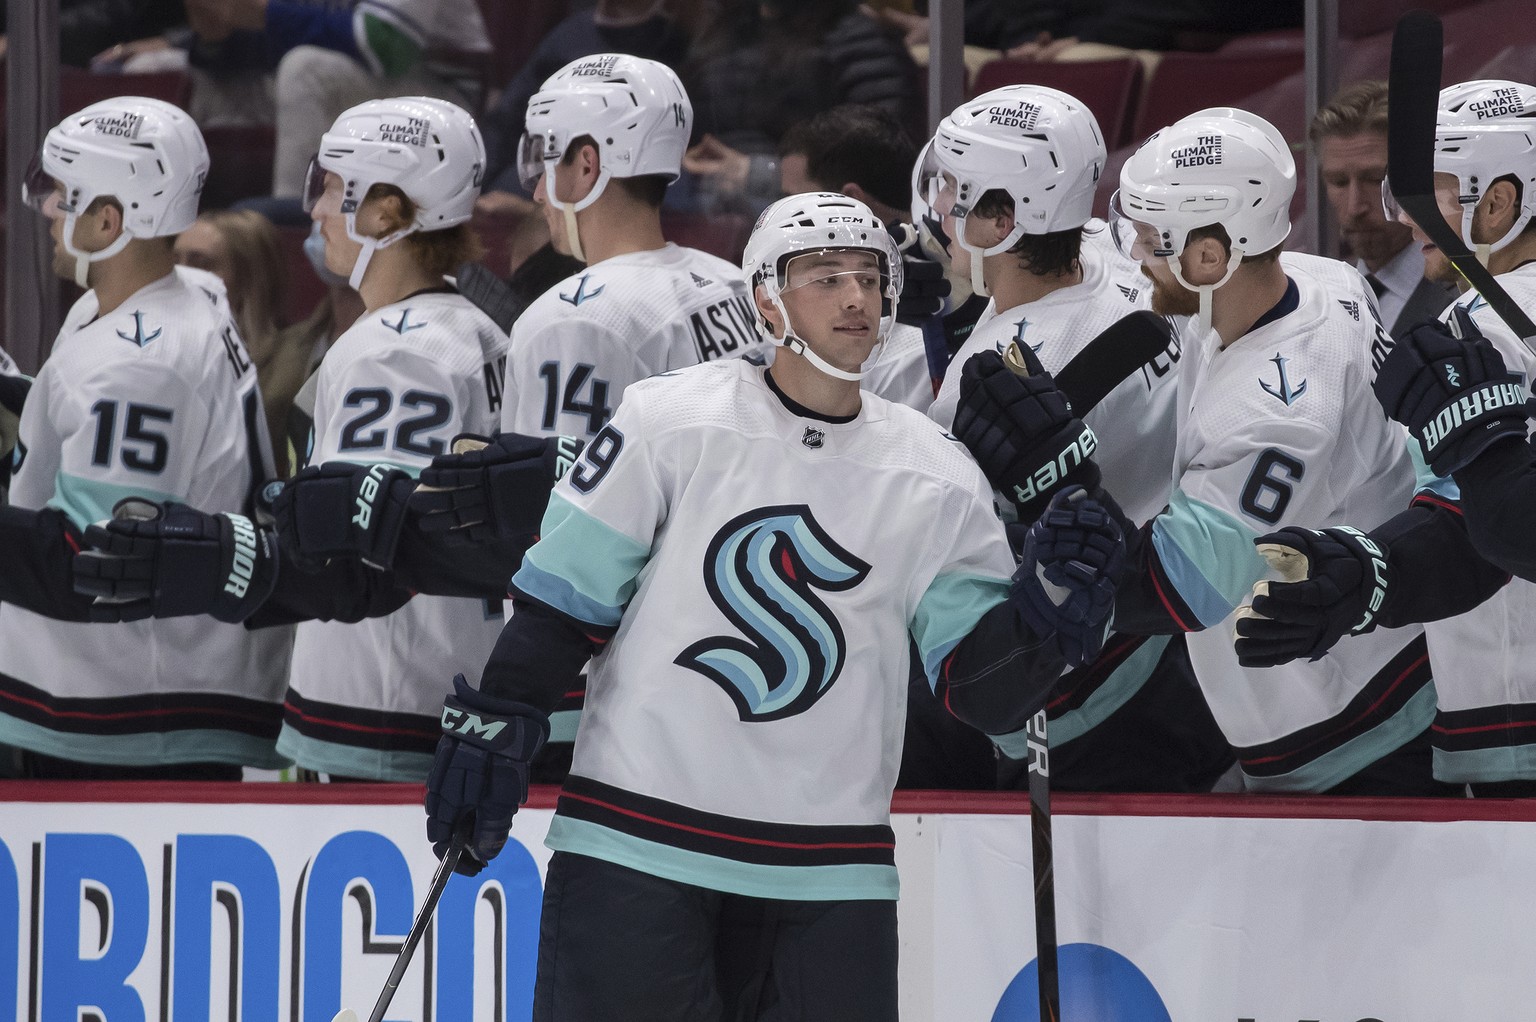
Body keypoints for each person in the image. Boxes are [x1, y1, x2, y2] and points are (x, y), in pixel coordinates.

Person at [421, 191, 1125, 1019]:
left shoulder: (937, 472)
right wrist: (498, 719)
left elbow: (976, 689)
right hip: (637, 850)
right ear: (765, 298)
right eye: (825, 278)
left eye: (870, 276)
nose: (857, 298)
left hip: (830, 876)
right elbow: (560, 607)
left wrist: (1045, 613)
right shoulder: (670, 419)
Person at [972, 106, 1449, 794]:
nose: (1133, 254)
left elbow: (1179, 588)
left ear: (1208, 255)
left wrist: (1061, 490)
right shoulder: (1317, 279)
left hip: (1359, 734)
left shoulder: (1275, 417)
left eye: (1148, 238)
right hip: (1335, 703)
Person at [919, 84, 1229, 793]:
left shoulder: (986, 375)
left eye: (955, 190)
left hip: (1075, 707)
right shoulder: (1127, 255)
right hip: (1180, 653)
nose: (940, 209)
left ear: (1001, 216)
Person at [1235, 80, 1536, 795]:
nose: (1405, 220)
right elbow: (1466, 518)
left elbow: (1493, 527)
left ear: (1498, 201)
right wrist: (1373, 572)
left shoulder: (1482, 329)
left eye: (1426, 195)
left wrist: (1374, 576)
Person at [0, 97, 290, 779]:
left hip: (133, 714)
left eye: (64, 194)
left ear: (110, 220)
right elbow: (81, 414)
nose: (46, 210)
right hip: (144, 694)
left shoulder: (137, 364)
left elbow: (96, 560)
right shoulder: (178, 294)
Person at [680, 0, 920, 216]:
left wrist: (762, 175)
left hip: (807, 221)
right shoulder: (726, 31)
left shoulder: (860, 41)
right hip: (706, 212)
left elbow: (884, 160)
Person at [1310, 79, 1457, 339]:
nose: (1355, 206)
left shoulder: (1466, 295)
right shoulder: (1314, 301)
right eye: (1338, 182)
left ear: (1420, 174)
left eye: (1375, 179)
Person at [175, 208, 313, 474]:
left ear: (252, 276)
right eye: (174, 262)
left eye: (201, 264)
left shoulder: (296, 363)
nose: (182, 275)